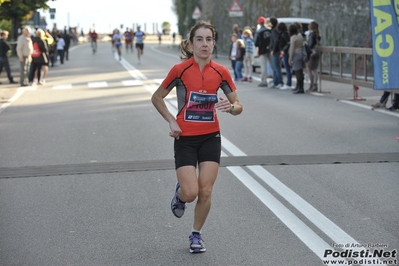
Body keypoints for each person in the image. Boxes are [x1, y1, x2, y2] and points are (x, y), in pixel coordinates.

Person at [151, 20, 243, 254]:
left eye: (209, 40)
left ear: (213, 44)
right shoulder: (179, 71)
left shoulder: (221, 72)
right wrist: (172, 120)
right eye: (199, 40)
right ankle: (179, 194)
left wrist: (230, 108)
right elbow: (157, 97)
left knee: (206, 190)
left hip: (211, 136)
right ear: (191, 45)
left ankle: (196, 234)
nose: (204, 44)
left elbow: (238, 105)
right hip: (185, 139)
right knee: (190, 192)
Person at [254, 16, 272, 87]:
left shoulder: (259, 32)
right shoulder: (270, 30)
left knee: (263, 66)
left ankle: (264, 81)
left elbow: (256, 43)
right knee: (272, 65)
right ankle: (275, 79)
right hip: (270, 50)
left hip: (262, 50)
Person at [288, 24, 305, 94]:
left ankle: (299, 88)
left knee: (297, 72)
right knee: (300, 72)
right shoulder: (300, 36)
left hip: (296, 55)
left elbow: (292, 49)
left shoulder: (293, 38)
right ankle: (300, 87)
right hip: (301, 54)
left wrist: (290, 59)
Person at [306, 21, 321, 92]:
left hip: (312, 53)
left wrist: (306, 45)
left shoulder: (312, 34)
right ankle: (314, 84)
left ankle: (313, 84)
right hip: (316, 53)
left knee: (310, 69)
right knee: (314, 69)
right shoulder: (317, 34)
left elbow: (310, 44)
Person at [269, 17, 284, 89]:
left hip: (276, 52)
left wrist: (273, 50)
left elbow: (276, 41)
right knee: (274, 67)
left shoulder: (274, 31)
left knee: (276, 67)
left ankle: (280, 82)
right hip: (275, 51)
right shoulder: (273, 30)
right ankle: (275, 82)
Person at [278, 22, 292, 90]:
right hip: (285, 52)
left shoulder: (284, 34)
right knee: (287, 68)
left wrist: (283, 50)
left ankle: (289, 83)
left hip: (285, 52)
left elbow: (288, 42)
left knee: (287, 68)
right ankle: (288, 83)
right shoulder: (285, 33)